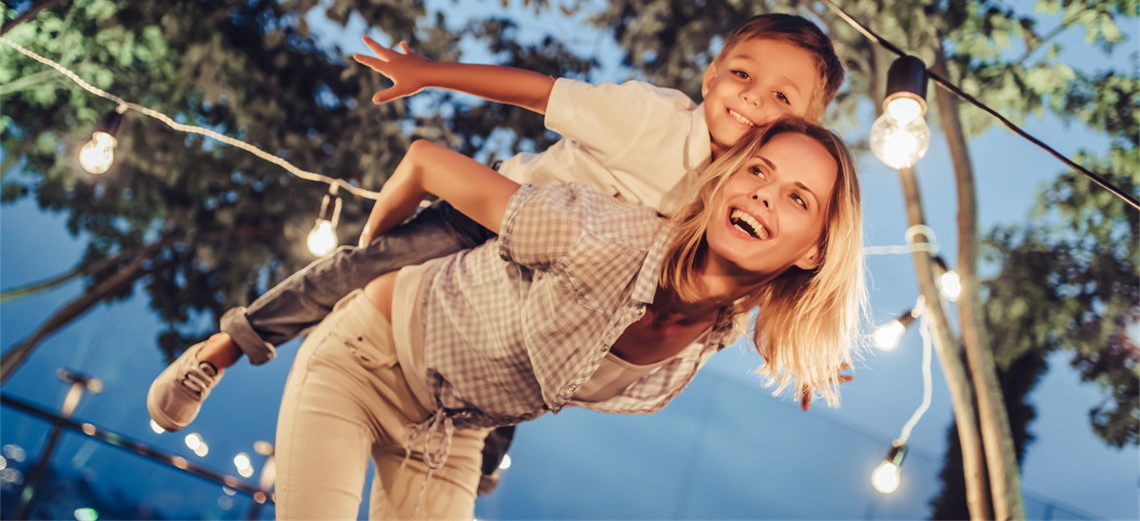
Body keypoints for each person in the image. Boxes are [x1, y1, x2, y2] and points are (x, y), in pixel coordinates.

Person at [146, 13, 845, 480]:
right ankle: (226, 347)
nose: (751, 99)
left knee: (547, 359)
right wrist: (429, 71)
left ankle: (477, 456)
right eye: (742, 74)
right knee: (366, 264)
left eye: (781, 98)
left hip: (558, 297)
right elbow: (541, 93)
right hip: (500, 220)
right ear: (710, 75)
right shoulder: (649, 119)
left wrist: (808, 352)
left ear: (805, 126)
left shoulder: (745, 195)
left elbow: (741, 293)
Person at [273, 117, 866, 519]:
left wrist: (803, 345)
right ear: (726, 180)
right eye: (759, 170)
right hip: (366, 362)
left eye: (798, 197)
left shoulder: (716, 331)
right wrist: (372, 261)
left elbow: (772, 310)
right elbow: (427, 163)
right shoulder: (598, 232)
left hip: (452, 431)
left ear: (816, 249)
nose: (765, 193)